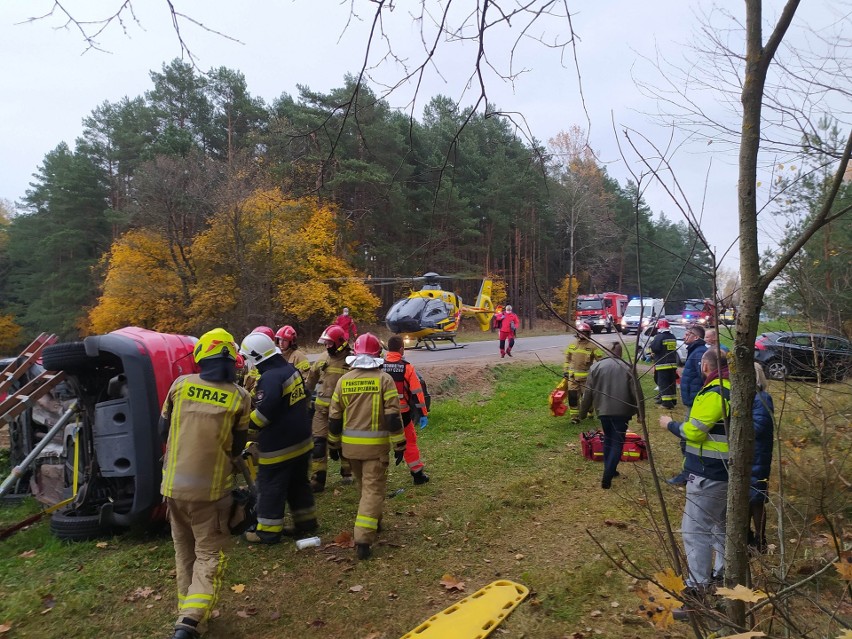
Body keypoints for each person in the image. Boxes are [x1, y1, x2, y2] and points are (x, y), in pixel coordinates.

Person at [159, 328, 251, 639]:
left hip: (172, 488)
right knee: (210, 554)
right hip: (210, 495)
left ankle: (188, 617)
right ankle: (192, 620)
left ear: (202, 356)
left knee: (183, 550)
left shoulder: (180, 386)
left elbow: (163, 431)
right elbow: (238, 448)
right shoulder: (240, 397)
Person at [659, 348, 730, 604]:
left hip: (708, 473)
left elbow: (696, 431)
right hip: (721, 471)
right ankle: (723, 574)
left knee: (695, 529)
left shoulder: (716, 392)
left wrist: (670, 424)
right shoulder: (730, 389)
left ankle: (697, 588)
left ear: (705, 366)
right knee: (720, 525)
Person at [328, 333, 405, 560]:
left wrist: (333, 444)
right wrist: (399, 444)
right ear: (377, 355)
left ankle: (375, 522)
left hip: (350, 449)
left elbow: (334, 417)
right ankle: (363, 539)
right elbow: (393, 418)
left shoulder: (344, 380)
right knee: (373, 490)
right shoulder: (384, 380)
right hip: (375, 448)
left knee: (365, 487)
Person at [239, 331, 316, 544]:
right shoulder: (289, 369)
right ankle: (306, 522)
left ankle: (268, 532)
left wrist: (242, 422)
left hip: (280, 446)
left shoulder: (270, 378)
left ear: (256, 357)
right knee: (298, 484)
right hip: (301, 440)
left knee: (270, 486)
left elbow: (263, 417)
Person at [577, 342, 638, 489]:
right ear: (620, 352)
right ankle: (608, 474)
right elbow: (636, 392)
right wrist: (640, 413)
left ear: (606, 351)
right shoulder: (628, 367)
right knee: (617, 442)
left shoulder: (596, 367)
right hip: (622, 412)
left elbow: (588, 393)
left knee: (609, 440)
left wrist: (583, 412)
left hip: (603, 411)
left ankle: (610, 470)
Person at [304, 324, 353, 492]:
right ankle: (317, 480)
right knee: (318, 444)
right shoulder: (322, 358)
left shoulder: (352, 360)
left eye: (329, 343)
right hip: (321, 411)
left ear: (340, 342)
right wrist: (304, 395)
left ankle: (347, 471)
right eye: (325, 343)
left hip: (343, 411)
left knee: (341, 442)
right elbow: (311, 379)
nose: (326, 346)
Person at [383, 335, 431, 485]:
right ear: (401, 349)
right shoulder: (407, 367)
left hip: (381, 413)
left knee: (380, 444)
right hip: (402, 414)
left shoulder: (379, 366)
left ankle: (375, 476)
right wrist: (423, 414)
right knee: (409, 442)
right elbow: (417, 393)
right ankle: (417, 474)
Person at [667, 324, 708, 486]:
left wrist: (701, 399)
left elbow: (705, 378)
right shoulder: (695, 351)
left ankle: (688, 474)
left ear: (696, 337)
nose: (684, 337)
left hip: (696, 403)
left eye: (687, 334)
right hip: (693, 402)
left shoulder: (699, 353)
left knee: (687, 437)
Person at [750, 362, 774, 553]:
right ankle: (749, 538)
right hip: (750, 454)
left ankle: (760, 540)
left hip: (757, 455)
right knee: (748, 498)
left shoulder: (762, 398)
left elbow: (758, 427)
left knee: (757, 498)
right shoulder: (751, 398)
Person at [563, 323, 604, 424]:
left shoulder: (593, 346)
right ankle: (574, 417)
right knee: (572, 397)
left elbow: (601, 361)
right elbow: (567, 360)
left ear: (589, 333)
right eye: (580, 333)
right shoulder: (572, 345)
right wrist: (565, 371)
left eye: (585, 333)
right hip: (572, 378)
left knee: (587, 398)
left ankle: (590, 411)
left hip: (587, 379)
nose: (582, 335)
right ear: (577, 333)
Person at [649, 318, 678, 409]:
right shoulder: (672, 336)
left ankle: (666, 403)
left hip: (662, 364)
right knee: (671, 382)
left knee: (663, 383)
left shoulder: (659, 337)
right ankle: (672, 400)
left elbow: (655, 348)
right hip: (672, 363)